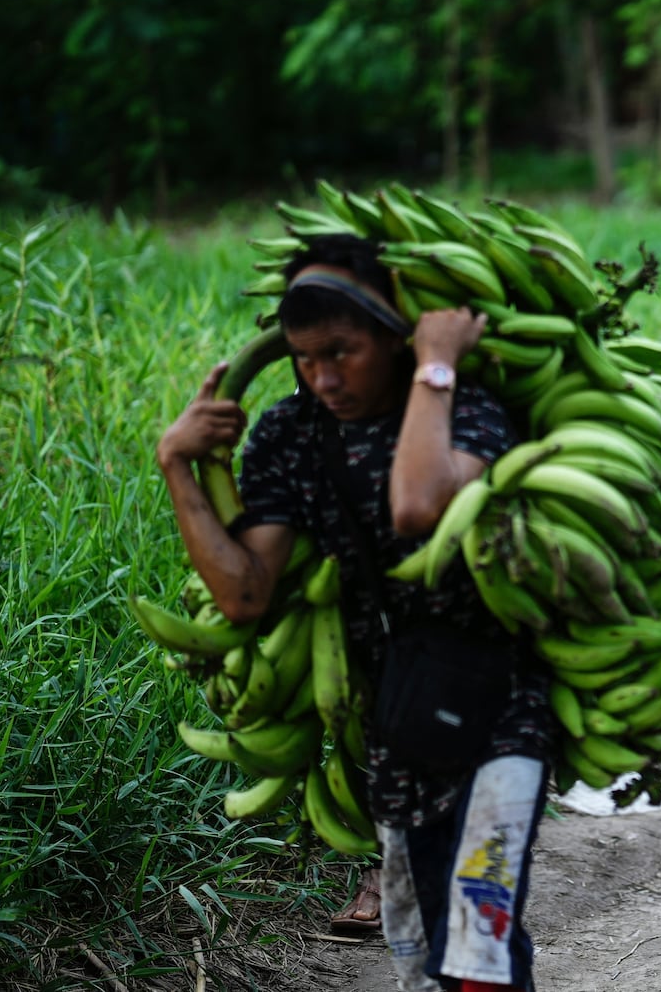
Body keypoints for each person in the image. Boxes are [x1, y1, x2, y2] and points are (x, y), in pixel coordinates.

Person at [156, 234, 555, 992]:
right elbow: (244, 591)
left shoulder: (464, 402)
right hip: (396, 711)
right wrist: (176, 464)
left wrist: (435, 366)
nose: (324, 378)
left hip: (503, 705)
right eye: (305, 358)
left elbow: (417, 505)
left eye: (343, 352)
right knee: (428, 943)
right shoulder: (288, 432)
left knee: (481, 935)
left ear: (394, 333)